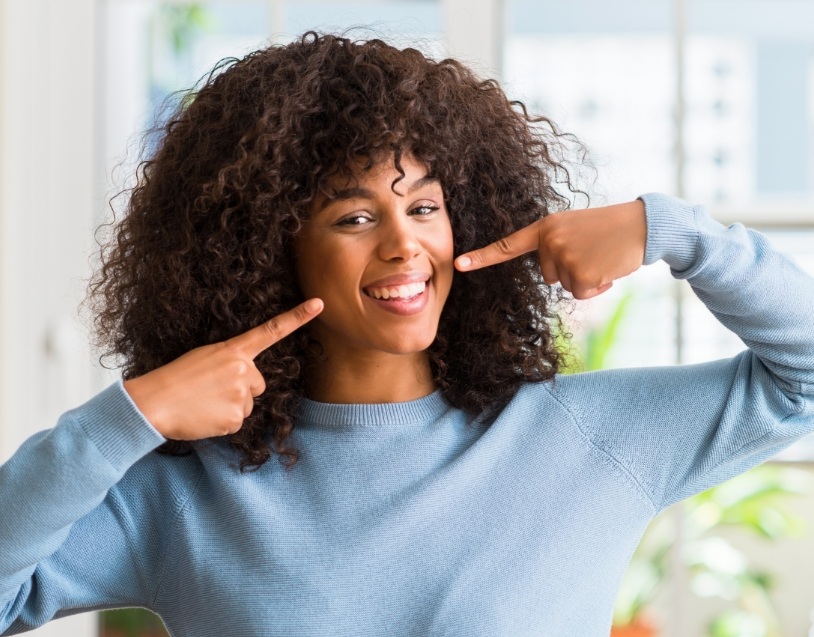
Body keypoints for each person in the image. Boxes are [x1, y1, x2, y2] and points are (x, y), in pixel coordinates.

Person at [1, 31, 812, 637]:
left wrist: (674, 233)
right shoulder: (185, 493)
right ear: (264, 249)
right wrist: (126, 417)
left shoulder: (582, 437)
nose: (404, 244)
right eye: (355, 215)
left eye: (423, 206)